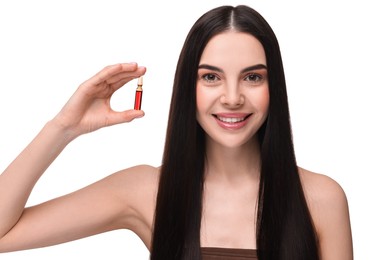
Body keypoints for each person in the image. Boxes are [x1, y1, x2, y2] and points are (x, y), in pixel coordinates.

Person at [0, 4, 353, 260]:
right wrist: (64, 127)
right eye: (211, 77)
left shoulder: (321, 198)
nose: (232, 97)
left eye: (253, 77)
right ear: (188, 86)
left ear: (274, 87)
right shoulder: (145, 191)